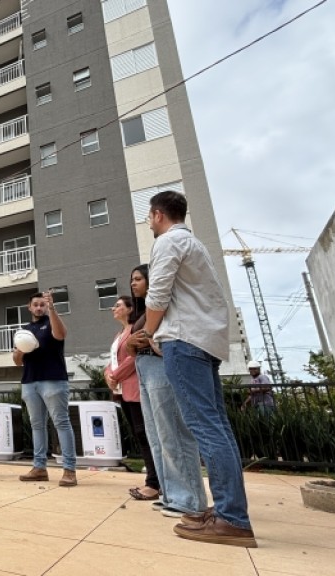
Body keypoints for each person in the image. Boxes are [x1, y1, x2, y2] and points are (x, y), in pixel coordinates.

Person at [137, 190, 257, 547]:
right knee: (217, 427)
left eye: (149, 216)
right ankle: (229, 510)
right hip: (206, 341)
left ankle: (232, 518)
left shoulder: (167, 242)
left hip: (184, 339)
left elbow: (157, 296)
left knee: (205, 427)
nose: (149, 222)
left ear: (158, 215)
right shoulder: (195, 245)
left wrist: (147, 333)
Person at [127, 264, 208, 519]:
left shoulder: (162, 305)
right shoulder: (142, 313)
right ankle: (170, 494)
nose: (133, 283)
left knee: (172, 431)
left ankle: (189, 499)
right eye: (132, 280)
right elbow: (132, 347)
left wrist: (147, 341)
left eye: (138, 279)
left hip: (160, 366)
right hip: (144, 367)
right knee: (157, 435)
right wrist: (131, 344)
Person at [13, 291, 77, 487]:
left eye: (42, 304)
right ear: (29, 307)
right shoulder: (24, 330)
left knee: (61, 423)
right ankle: (39, 468)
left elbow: (61, 335)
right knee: (37, 425)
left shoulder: (51, 322)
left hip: (53, 380)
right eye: (36, 304)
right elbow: (17, 361)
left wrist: (52, 309)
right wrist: (21, 349)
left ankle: (69, 470)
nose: (39, 308)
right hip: (30, 381)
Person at [105, 296, 159, 500]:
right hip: (122, 390)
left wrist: (115, 375)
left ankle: (154, 482)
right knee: (139, 434)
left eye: (118, 305)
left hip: (134, 386)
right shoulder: (119, 334)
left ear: (129, 309)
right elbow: (113, 360)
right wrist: (108, 374)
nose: (114, 308)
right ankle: (153, 479)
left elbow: (133, 357)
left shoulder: (133, 331)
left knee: (144, 433)